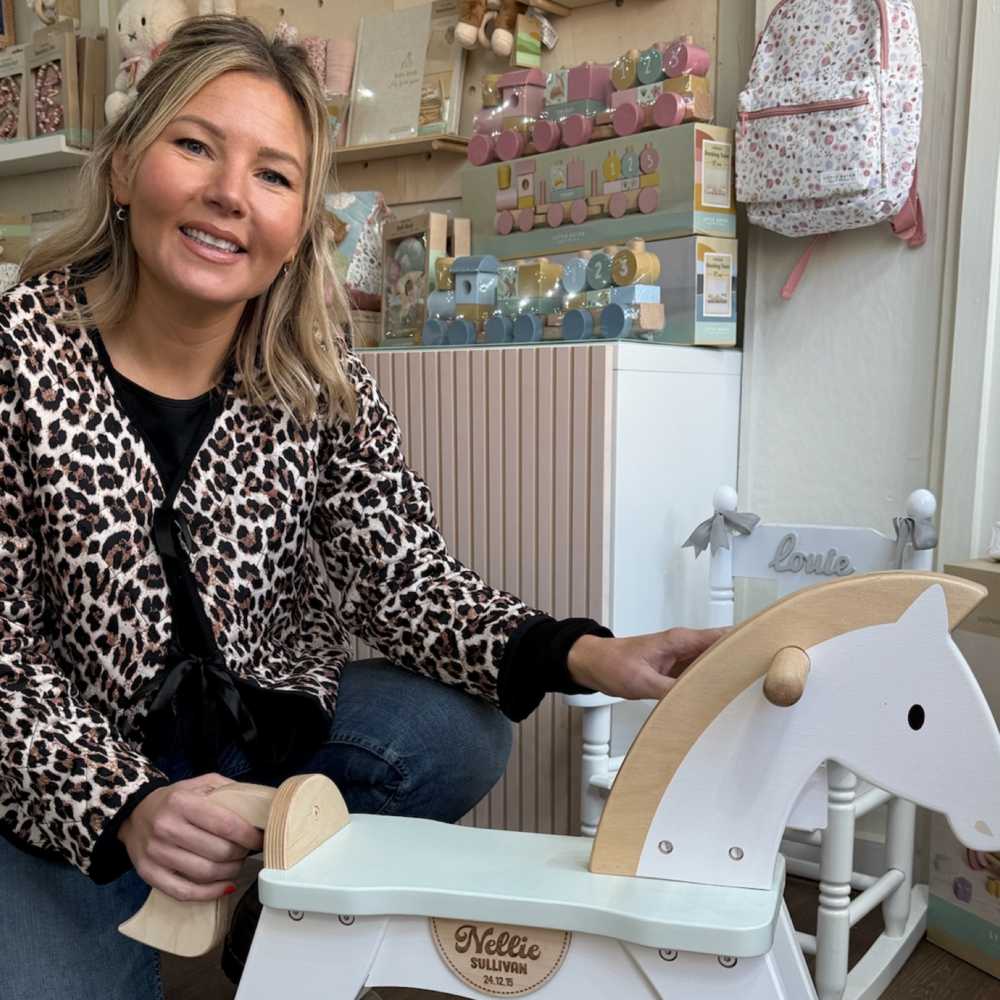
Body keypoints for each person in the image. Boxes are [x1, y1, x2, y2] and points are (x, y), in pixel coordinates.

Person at [0, 15, 725, 1000]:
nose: (230, 194)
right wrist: (122, 805)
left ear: (299, 222)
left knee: (459, 731)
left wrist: (588, 654)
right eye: (196, 146)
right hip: (61, 764)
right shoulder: (20, 354)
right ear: (125, 168)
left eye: (273, 174)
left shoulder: (309, 368)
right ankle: (137, 868)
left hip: (251, 730)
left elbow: (401, 574)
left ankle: (274, 902)